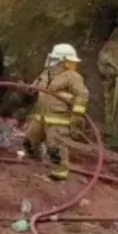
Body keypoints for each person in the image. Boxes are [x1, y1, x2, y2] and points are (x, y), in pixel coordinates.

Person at [21, 44, 88, 181]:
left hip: (59, 119)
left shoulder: (72, 77)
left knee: (55, 148)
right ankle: (34, 165)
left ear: (60, 59)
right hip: (41, 117)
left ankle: (60, 174)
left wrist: (77, 115)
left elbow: (82, 95)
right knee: (29, 142)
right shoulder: (46, 74)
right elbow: (34, 87)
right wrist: (26, 88)